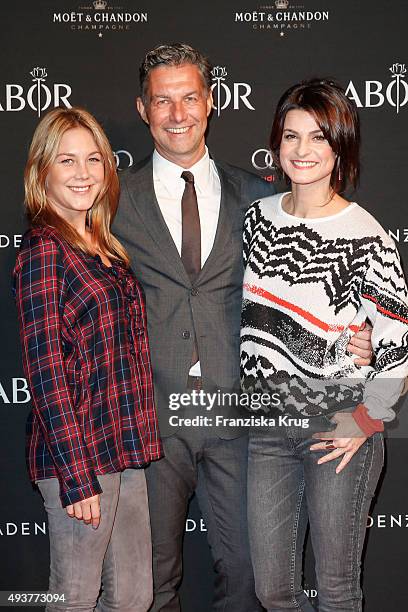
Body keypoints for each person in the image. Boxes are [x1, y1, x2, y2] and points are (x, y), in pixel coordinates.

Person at [112, 45, 373, 611]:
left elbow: (316, 274)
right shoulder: (112, 200)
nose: (177, 113)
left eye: (189, 97)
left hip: (242, 423)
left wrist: (360, 335)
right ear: (142, 108)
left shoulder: (260, 198)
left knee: (255, 580)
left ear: (210, 103)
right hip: (152, 422)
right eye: (163, 100)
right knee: (150, 582)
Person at [241, 79, 408, 611]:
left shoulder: (366, 236)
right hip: (265, 428)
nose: (303, 150)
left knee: (336, 592)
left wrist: (368, 417)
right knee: (273, 590)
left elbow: (396, 339)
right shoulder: (256, 219)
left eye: (318, 137)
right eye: (291, 137)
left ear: (340, 147)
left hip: (337, 427)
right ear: (276, 143)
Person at [13, 107, 162, 612]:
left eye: (93, 159)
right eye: (66, 161)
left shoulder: (105, 249)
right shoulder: (43, 251)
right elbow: (46, 372)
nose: (82, 173)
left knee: (134, 599)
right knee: (74, 598)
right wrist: (77, 478)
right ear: (42, 173)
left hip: (125, 452)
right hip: (77, 460)